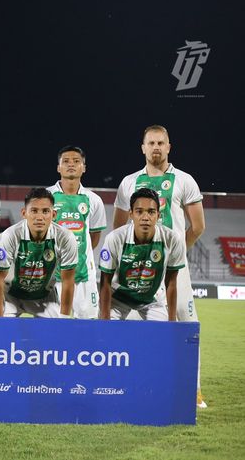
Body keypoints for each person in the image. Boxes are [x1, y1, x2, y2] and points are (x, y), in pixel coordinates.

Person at [113, 124, 207, 408]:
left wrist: (174, 256)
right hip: (136, 272)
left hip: (174, 272)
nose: (156, 147)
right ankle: (129, 386)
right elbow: (119, 227)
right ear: (142, 147)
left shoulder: (184, 180)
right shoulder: (129, 182)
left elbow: (198, 226)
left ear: (169, 147)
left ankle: (194, 391)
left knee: (187, 326)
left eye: (161, 143)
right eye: (151, 143)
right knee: (131, 328)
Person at [99, 188, 185, 321]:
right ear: (131, 214)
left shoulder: (172, 239)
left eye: (151, 212)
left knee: (163, 335)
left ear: (158, 215)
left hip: (152, 299)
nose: (145, 217)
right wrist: (104, 320)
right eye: (139, 212)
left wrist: (172, 321)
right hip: (118, 298)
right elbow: (105, 282)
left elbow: (171, 282)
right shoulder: (115, 238)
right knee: (110, 335)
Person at [0, 188, 77, 318]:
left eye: (45, 211)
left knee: (53, 334)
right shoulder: (9, 236)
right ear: (24, 213)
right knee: (3, 335)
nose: (40, 217)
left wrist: (64, 319)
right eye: (34, 211)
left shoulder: (65, 237)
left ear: (53, 214)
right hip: (11, 296)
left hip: (45, 297)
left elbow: (68, 281)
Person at [47, 146, 107, 318]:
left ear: (84, 167)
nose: (71, 165)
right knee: (55, 328)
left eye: (76, 161)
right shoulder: (46, 197)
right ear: (58, 167)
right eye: (65, 161)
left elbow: (94, 237)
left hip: (84, 275)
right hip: (52, 275)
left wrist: (78, 254)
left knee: (88, 326)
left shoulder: (94, 200)